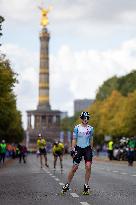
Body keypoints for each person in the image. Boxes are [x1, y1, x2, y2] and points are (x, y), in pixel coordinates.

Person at [61, 111, 94, 194]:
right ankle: (67, 184)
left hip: (87, 149)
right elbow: (74, 139)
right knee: (75, 168)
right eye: (84, 118)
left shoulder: (91, 128)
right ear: (81, 119)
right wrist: (72, 149)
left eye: (87, 118)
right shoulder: (77, 128)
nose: (86, 120)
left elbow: (91, 139)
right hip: (78, 148)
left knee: (88, 166)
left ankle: (86, 186)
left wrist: (91, 149)